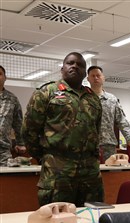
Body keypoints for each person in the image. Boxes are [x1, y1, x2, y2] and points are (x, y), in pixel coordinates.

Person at [22, 52, 104, 206]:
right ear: (62, 68)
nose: (74, 66)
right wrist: (45, 156)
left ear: (85, 73)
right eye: (70, 63)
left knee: (92, 221)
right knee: (56, 220)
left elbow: (96, 130)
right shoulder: (46, 93)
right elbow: (29, 131)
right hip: (57, 170)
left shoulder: (92, 98)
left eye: (80, 65)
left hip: (89, 172)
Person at [87, 66, 130, 162]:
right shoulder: (83, 98)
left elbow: (121, 120)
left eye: (98, 75)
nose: (95, 78)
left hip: (108, 145)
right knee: (89, 174)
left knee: (111, 174)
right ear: (88, 79)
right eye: (93, 76)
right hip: (88, 144)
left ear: (103, 78)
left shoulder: (112, 99)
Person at [0, 65, 26, 166]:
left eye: (0, 74)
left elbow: (18, 123)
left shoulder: (12, 99)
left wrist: (21, 143)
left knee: (7, 180)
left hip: (3, 151)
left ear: (5, 78)